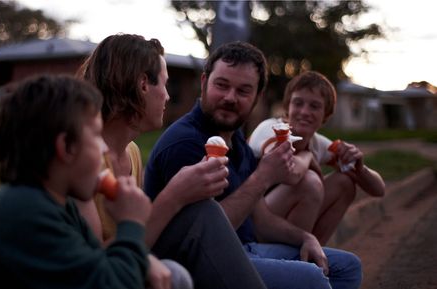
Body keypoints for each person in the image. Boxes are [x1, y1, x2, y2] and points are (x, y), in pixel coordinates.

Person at [144, 41, 363, 289]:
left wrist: (305, 237)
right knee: (312, 278)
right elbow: (204, 235)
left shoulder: (236, 140)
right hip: (200, 264)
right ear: (204, 82)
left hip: (247, 248)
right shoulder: (186, 143)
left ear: (258, 96)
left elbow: (260, 220)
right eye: (222, 85)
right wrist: (264, 176)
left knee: (347, 267)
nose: (230, 98)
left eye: (243, 91)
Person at [76, 33, 267, 289]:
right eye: (165, 85)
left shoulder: (131, 151)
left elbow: (138, 237)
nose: (167, 96)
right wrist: (175, 195)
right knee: (202, 213)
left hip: (140, 269)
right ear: (143, 84)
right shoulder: (81, 162)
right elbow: (96, 269)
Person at [0, 75, 152, 289]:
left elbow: (96, 263)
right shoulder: (23, 212)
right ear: (65, 146)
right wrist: (131, 223)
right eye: (95, 135)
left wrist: (144, 259)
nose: (104, 149)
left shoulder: (61, 205)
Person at [248, 71, 385, 245]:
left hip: (277, 214)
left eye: (314, 106)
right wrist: (307, 156)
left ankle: (315, 256)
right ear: (287, 107)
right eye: (298, 103)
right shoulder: (271, 129)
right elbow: (290, 173)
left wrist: (360, 169)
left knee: (345, 182)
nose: (305, 112)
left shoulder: (317, 143)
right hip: (254, 221)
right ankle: (294, 261)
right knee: (310, 182)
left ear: (325, 116)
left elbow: (379, 190)